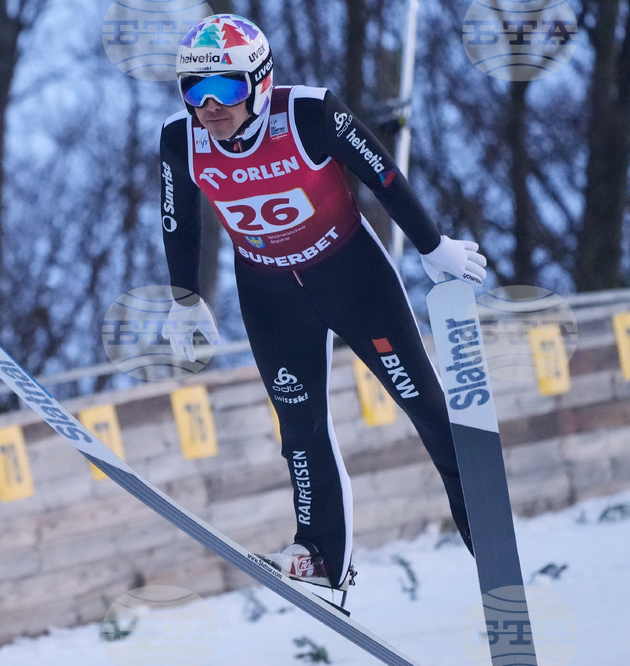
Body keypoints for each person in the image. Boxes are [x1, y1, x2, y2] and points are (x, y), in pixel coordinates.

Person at [159, 14, 487, 595]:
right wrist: (186, 300)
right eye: (194, 90)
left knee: (421, 401)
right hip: (268, 294)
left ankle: (479, 521)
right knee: (300, 427)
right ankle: (318, 551)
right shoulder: (179, 140)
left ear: (260, 83)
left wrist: (433, 246)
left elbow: (382, 173)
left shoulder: (308, 113)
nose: (209, 105)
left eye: (227, 89)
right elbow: (179, 222)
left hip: (351, 275)